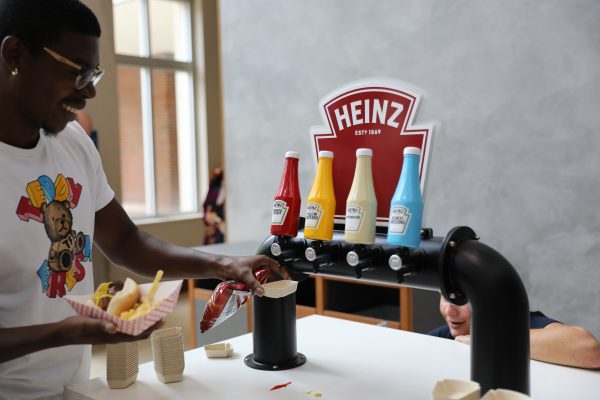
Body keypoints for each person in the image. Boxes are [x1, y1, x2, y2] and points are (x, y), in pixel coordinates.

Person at [0, 1, 285, 398]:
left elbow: (125, 241)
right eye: (78, 72)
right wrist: (67, 331)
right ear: (15, 55)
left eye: (93, 73)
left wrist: (223, 265)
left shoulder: (73, 142)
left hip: (76, 385)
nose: (91, 91)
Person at [429, 295, 600, 369]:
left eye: (461, 300)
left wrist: (483, 340)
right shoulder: (441, 336)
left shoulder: (522, 322)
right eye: (445, 297)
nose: (450, 311)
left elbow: (589, 350)